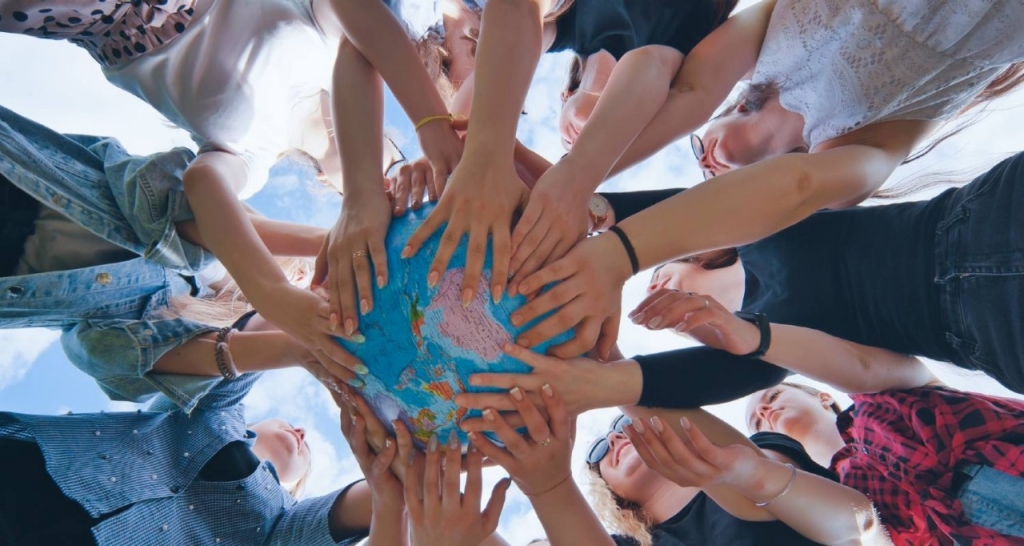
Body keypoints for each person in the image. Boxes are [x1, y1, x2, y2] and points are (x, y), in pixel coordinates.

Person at [506, 0, 1024, 359]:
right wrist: (597, 220)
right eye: (711, 182)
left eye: (698, 157)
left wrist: (572, 180)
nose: (707, 166)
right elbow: (792, 186)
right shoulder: (854, 162)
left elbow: (687, 91)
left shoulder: (764, 43)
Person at [0, 0, 453, 373]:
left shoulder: (254, 160)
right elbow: (359, 13)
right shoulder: (327, 47)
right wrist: (431, 128)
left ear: (322, 182)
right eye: (391, 156)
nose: (382, 169)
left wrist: (274, 294)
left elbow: (202, 184)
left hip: (95, 20)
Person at [0, 105, 355, 411]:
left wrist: (305, 348)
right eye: (310, 274)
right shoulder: (212, 209)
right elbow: (182, 211)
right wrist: (329, 243)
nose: (315, 287)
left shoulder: (185, 320)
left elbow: (108, 358)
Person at [399, 0, 739, 316]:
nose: (576, 143)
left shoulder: (570, 22)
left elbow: (510, 38)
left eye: (567, 140)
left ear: (564, 96)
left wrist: (449, 146)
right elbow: (653, 68)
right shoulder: (669, 61)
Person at [458, 379, 887, 545]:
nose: (613, 438)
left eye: (623, 423)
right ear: (612, 494)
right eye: (599, 452)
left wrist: (613, 379)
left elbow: (857, 526)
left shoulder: (756, 454)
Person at [0, 362, 382, 546]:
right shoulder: (215, 412)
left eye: (307, 451)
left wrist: (384, 468)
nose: (301, 432)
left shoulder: (284, 520)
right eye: (288, 423)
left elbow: (359, 507)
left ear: (298, 483)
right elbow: (242, 354)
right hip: (32, 469)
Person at [746, 381, 1024, 544]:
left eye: (773, 395)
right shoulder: (828, 505)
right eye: (756, 423)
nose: (764, 410)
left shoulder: (880, 401)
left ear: (824, 397)